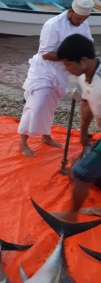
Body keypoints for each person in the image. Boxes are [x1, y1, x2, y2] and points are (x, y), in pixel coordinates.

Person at [18, 0, 95, 157]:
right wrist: (71, 56)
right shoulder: (53, 25)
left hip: (64, 71)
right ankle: (23, 141)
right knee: (36, 104)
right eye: (79, 18)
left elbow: (88, 43)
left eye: (84, 19)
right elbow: (46, 54)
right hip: (44, 71)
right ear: (70, 11)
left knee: (50, 106)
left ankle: (45, 136)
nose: (81, 22)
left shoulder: (84, 23)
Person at [48, 34, 101, 221]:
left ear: (84, 60)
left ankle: (71, 215)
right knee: (78, 170)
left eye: (69, 65)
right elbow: (86, 104)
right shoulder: (85, 76)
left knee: (79, 174)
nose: (67, 70)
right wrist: (84, 131)